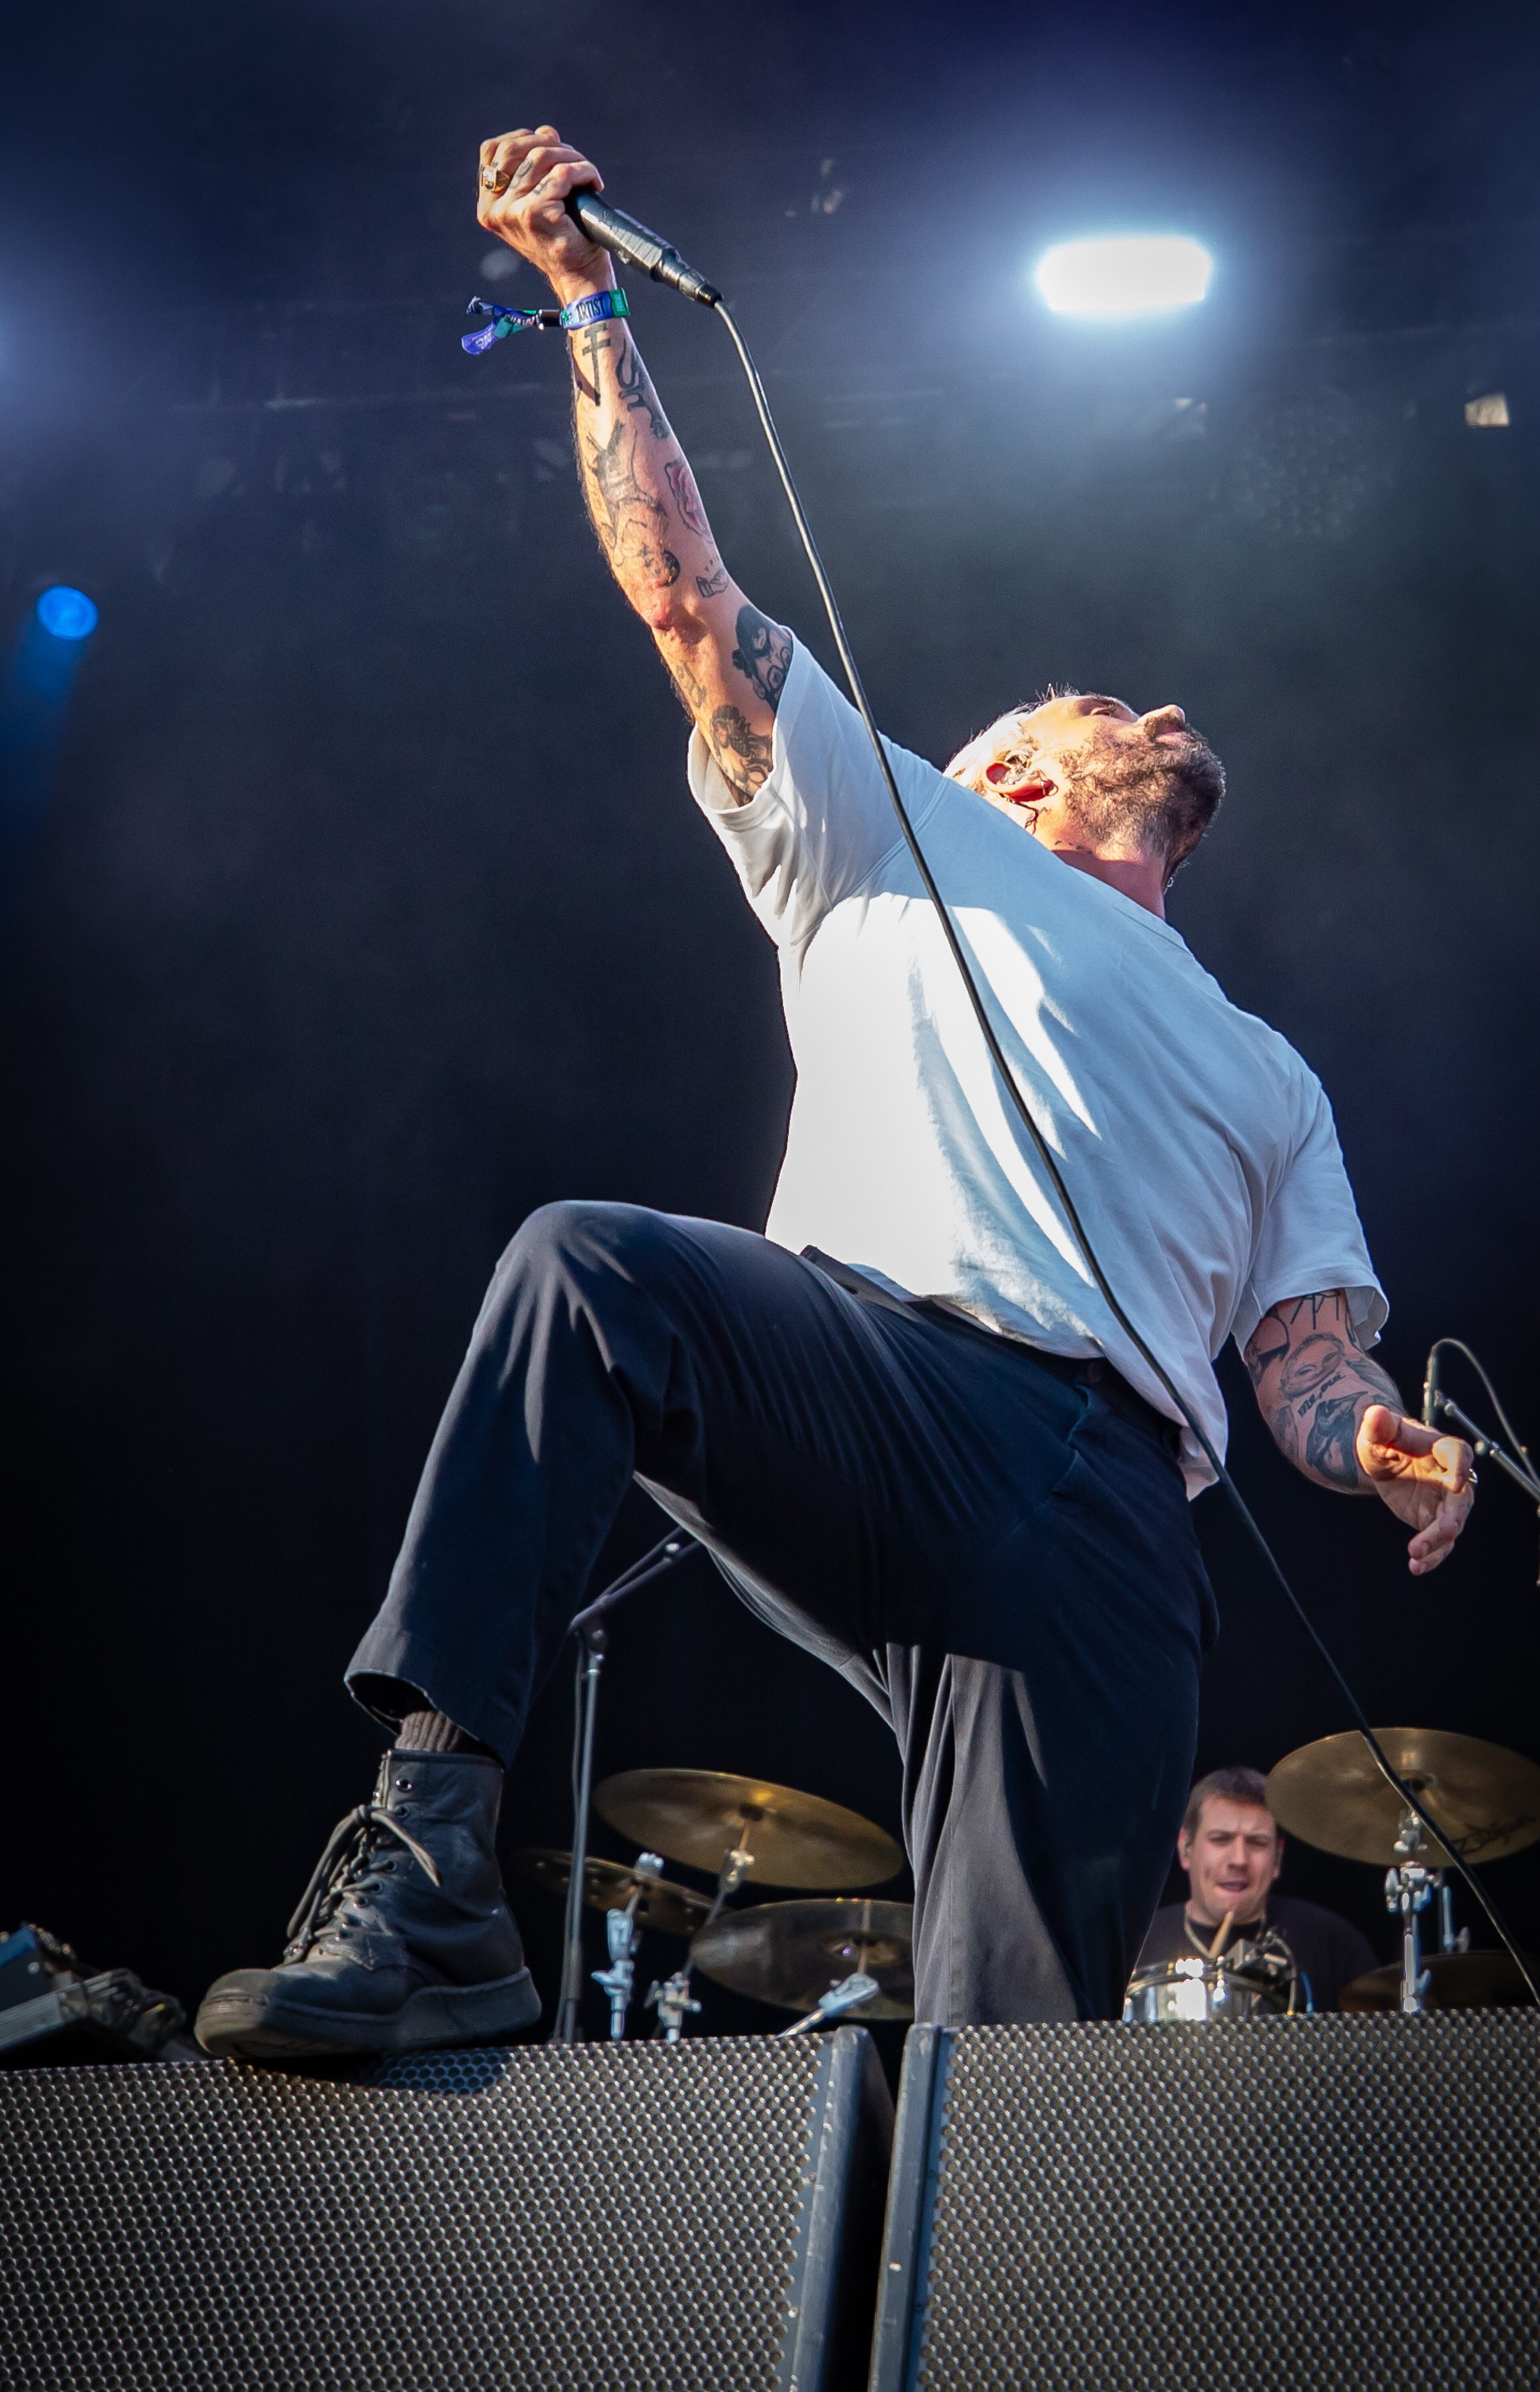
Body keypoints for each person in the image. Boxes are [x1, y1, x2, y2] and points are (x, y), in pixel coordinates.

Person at [193, 128, 1474, 2062]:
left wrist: (1372, 1435)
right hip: (881, 1377)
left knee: (1016, 2064)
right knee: (585, 1274)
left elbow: (1302, 1352)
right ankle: (432, 1864)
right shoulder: (895, 821)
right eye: (1094, 707)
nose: (1147, 711)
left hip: (1114, 1517)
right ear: (1010, 774)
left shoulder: (1269, 1068)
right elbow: (687, 597)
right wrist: (589, 301)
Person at [1134, 1766, 1378, 2009]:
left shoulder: (1334, 1946)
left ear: (1278, 1859)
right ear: (1185, 1850)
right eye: (1220, 1840)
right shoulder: (1136, 1947)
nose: (1239, 1860)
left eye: (1257, 1843)